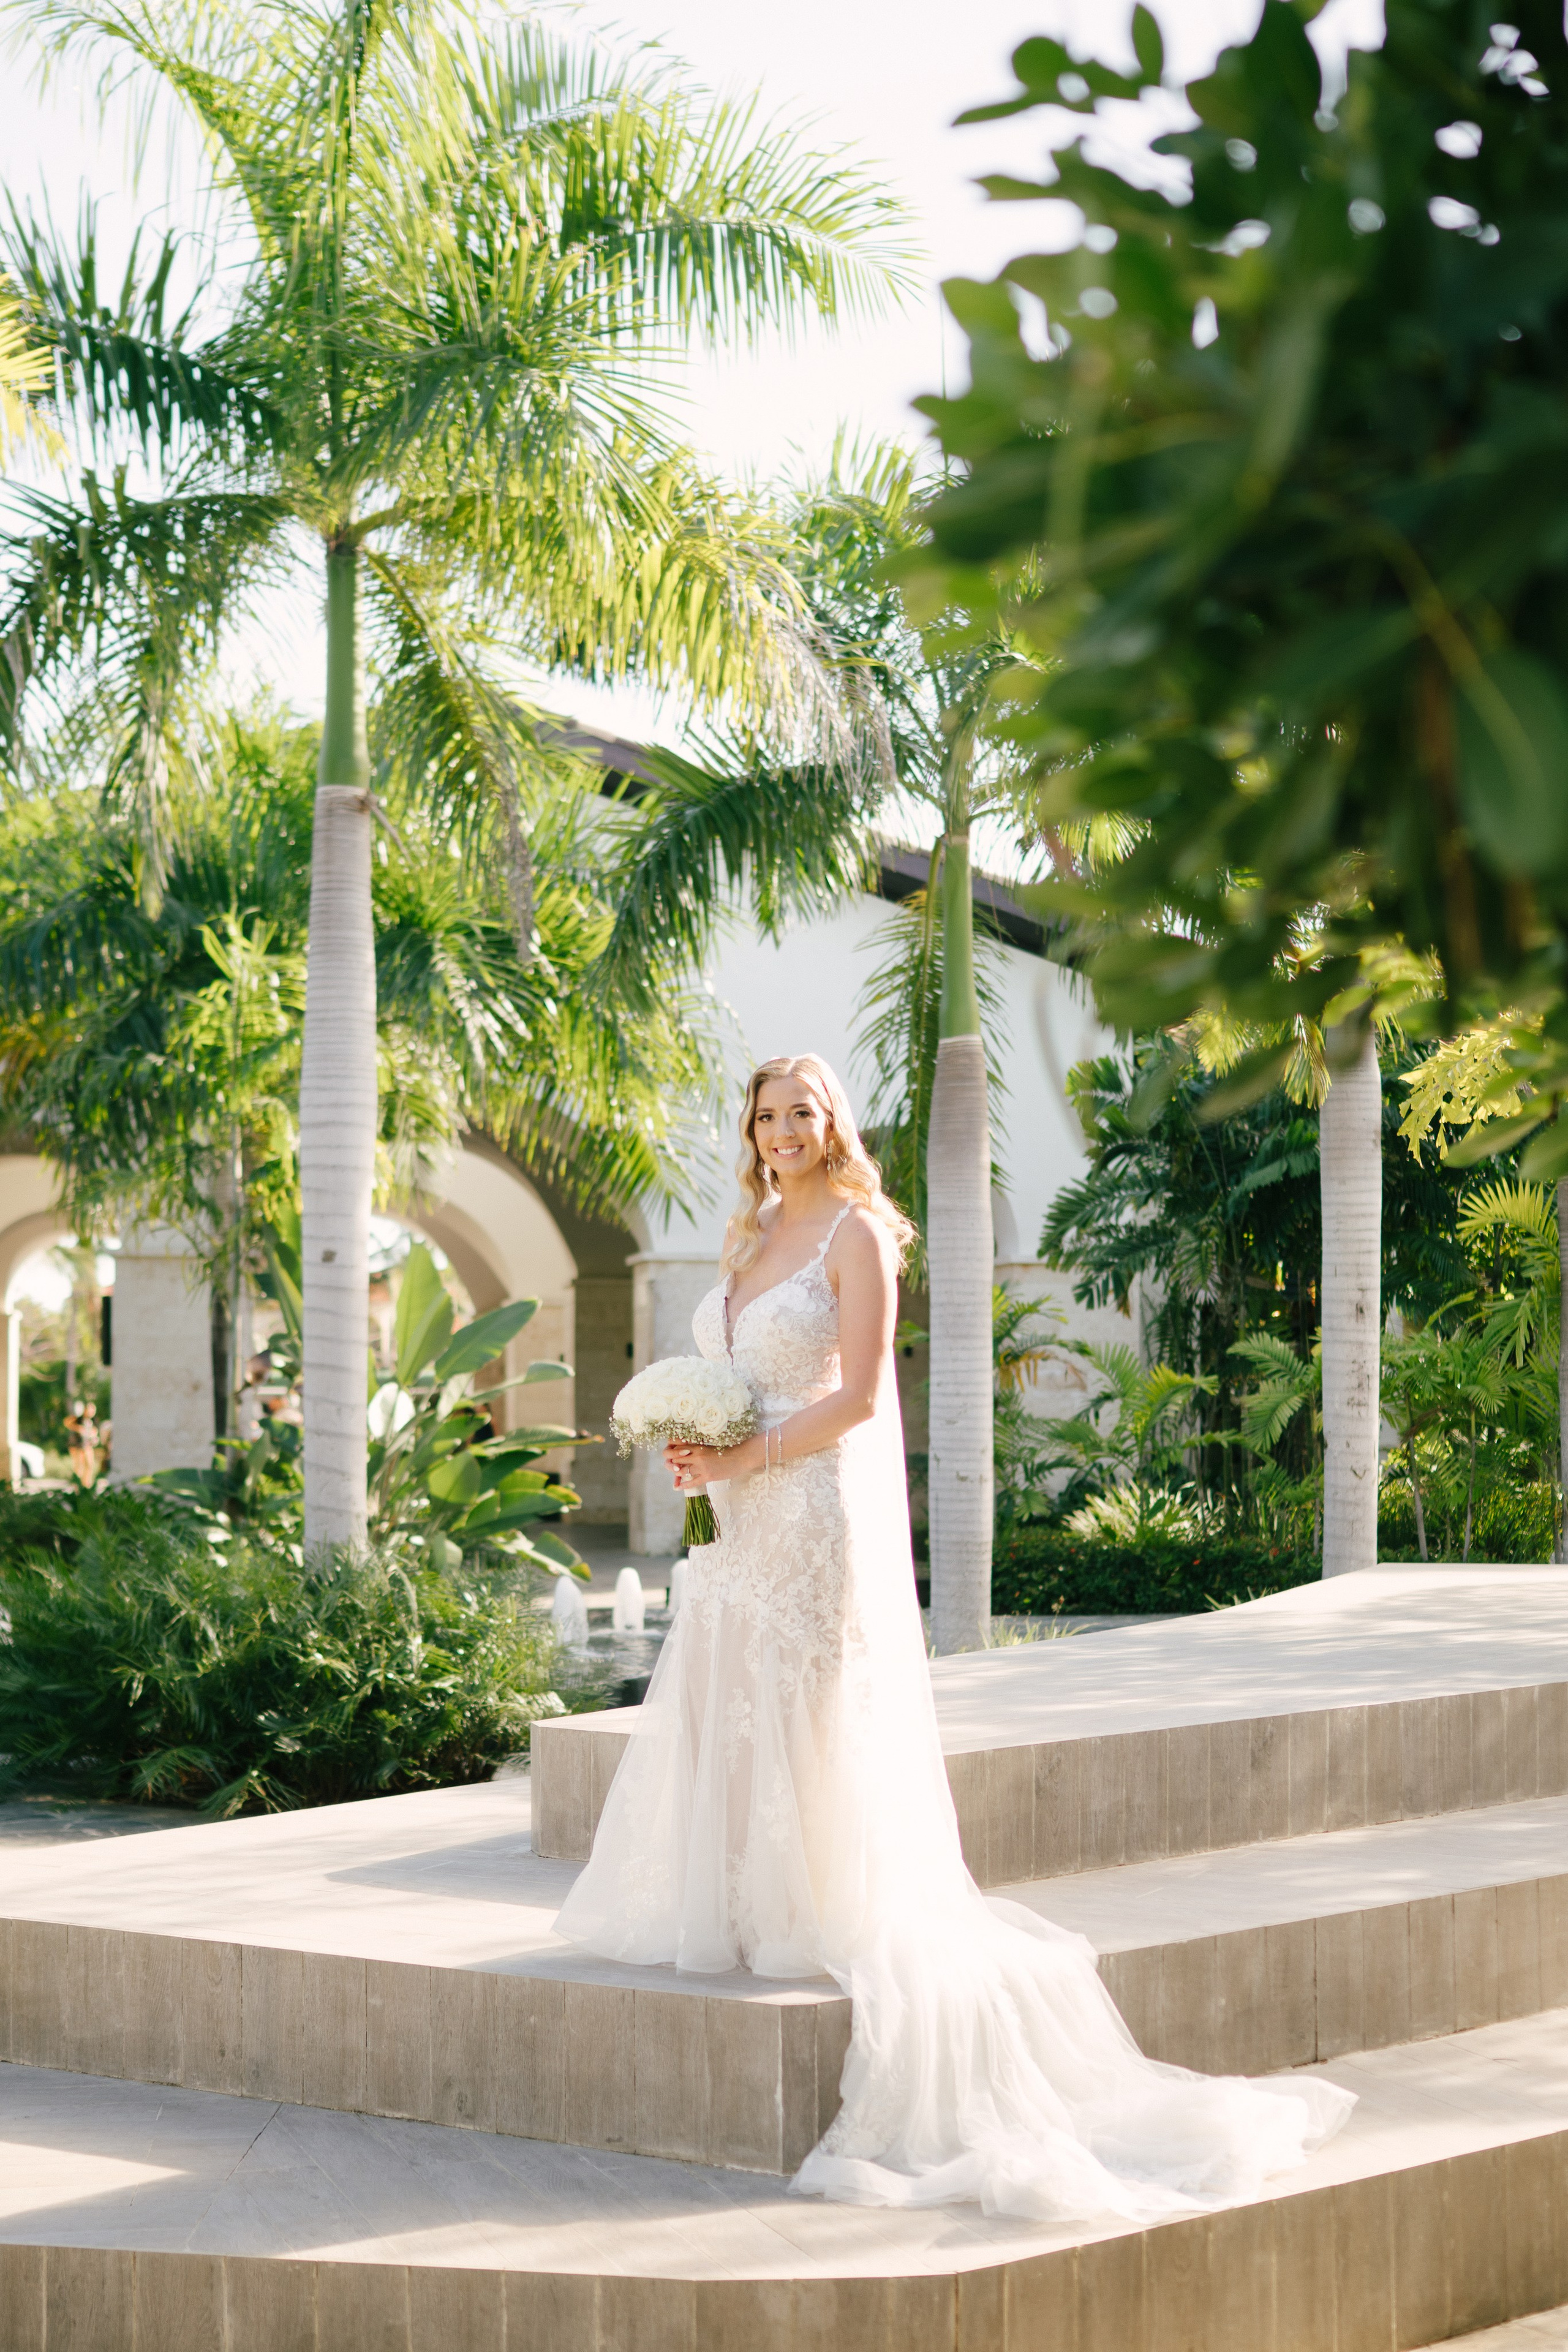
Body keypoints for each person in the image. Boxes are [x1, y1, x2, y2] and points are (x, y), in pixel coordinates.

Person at [552, 1053, 1354, 2220]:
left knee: (809, 1706)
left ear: (834, 1123)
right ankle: (735, 1904)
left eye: (802, 1113)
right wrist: (696, 1449)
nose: (783, 1131)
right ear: (751, 1129)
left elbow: (859, 1397)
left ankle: (818, 1907)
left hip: (809, 1508)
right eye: (767, 1116)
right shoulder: (747, 1234)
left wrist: (747, 1452)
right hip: (739, 1511)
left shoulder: (859, 1235)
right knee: (734, 1700)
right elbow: (731, 1375)